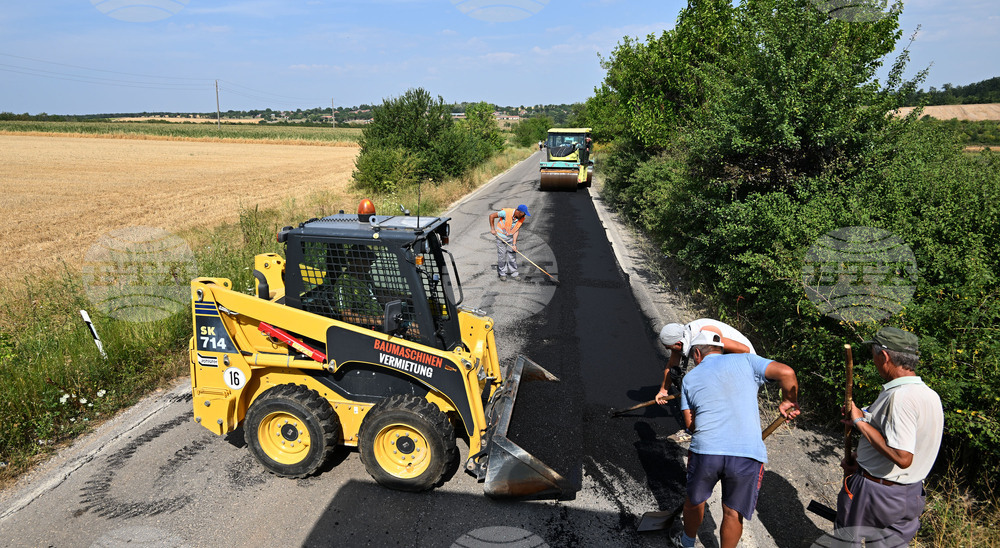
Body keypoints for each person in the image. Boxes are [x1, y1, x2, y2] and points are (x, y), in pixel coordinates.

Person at [673, 331, 800, 548]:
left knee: (694, 501)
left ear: (697, 354)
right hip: (747, 453)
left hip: (707, 451)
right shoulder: (747, 360)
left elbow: (690, 425)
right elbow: (787, 373)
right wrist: (789, 401)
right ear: (720, 350)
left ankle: (686, 542)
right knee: (733, 512)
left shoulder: (689, 379)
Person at [837, 327, 943, 544]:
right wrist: (863, 456)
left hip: (878, 493)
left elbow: (903, 457)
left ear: (884, 356)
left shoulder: (901, 398)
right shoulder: (929, 395)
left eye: (874, 354)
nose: (874, 361)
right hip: (909, 493)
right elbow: (902, 436)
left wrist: (858, 422)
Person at [656, 319, 755, 405]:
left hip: (746, 362)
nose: (668, 349)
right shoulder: (679, 336)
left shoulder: (707, 336)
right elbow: (672, 365)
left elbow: (745, 350)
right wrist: (663, 391)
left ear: (678, 343)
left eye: (669, 348)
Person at [333, 245, 383, 327]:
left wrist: (404, 298)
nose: (371, 262)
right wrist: (377, 320)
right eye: (367, 260)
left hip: (382, 319)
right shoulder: (345, 283)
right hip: (368, 327)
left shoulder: (365, 277)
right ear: (355, 261)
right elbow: (347, 316)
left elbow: (378, 296)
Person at [488, 205, 529, 280]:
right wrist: (493, 229)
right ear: (519, 212)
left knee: (512, 255)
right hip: (501, 237)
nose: (525, 215)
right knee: (502, 256)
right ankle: (502, 273)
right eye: (524, 213)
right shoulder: (506, 213)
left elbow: (516, 230)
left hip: (510, 238)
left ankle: (514, 273)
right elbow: (491, 216)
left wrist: (514, 244)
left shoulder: (521, 218)